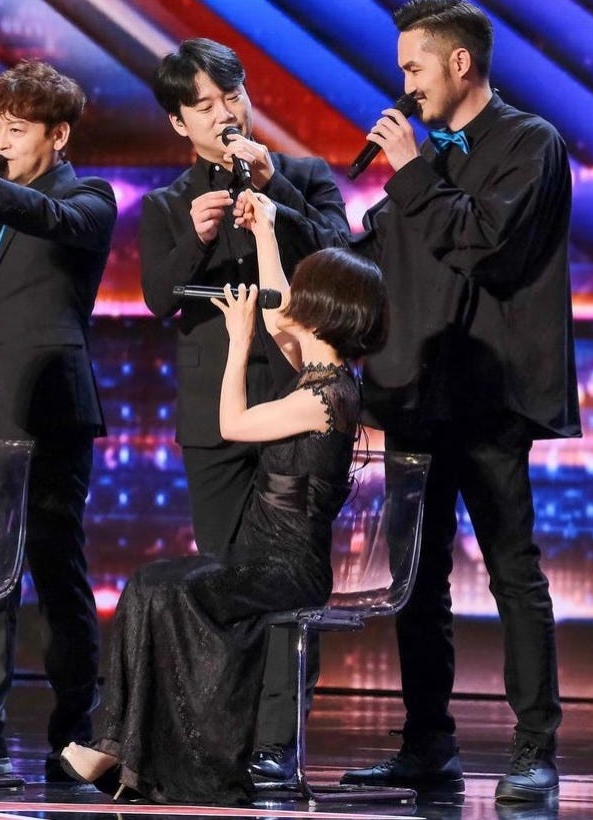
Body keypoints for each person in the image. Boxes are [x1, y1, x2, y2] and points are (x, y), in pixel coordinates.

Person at [59, 189, 389, 804]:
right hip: (259, 555)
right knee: (148, 583)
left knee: (175, 593)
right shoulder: (317, 375)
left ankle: (162, 755)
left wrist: (237, 342)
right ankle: (123, 746)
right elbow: (277, 313)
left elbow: (233, 423)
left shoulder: (325, 398)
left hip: (288, 567)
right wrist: (264, 230)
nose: (288, 298)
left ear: (324, 312)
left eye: (303, 291)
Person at [338, 0, 580, 804]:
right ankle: (426, 746)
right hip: (415, 390)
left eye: (413, 68)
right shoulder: (427, 160)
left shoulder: (530, 144)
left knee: (512, 569)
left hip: (489, 398)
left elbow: (487, 244)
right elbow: (372, 253)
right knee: (417, 577)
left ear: (459, 63)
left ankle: (535, 747)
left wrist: (413, 172)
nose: (404, 84)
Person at [139, 37, 350, 780]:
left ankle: (275, 744)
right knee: (227, 577)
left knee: (285, 574)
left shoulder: (306, 176)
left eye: (232, 95)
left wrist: (276, 192)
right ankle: (223, 739)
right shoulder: (168, 204)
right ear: (179, 122)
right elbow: (157, 296)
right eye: (204, 105)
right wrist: (196, 243)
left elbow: (342, 257)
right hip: (216, 413)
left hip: (298, 405)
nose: (224, 112)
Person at [0, 59, 117, 782]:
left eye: (17, 129)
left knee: (57, 570)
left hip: (53, 407)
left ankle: (74, 734)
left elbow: (51, 219)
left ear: (57, 135)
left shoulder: (89, 196)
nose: (0, 142)